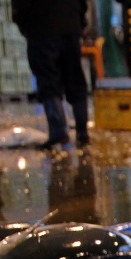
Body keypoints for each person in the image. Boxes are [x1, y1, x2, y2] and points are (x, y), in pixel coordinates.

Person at [11, 0, 90, 150]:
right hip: (70, 25)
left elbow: (20, 7)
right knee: (75, 77)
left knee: (47, 78)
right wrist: (79, 23)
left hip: (42, 27)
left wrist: (26, 27)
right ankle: (82, 131)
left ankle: (58, 130)